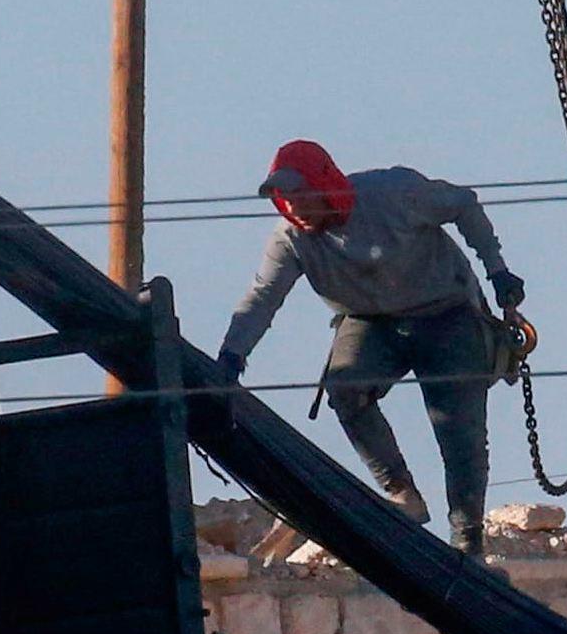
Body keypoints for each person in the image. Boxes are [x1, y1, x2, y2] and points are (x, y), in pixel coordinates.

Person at [213, 139, 524, 552]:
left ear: (326, 185)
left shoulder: (395, 194)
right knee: (345, 388)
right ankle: (401, 493)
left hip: (446, 313)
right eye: (284, 200)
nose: (294, 208)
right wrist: (233, 355)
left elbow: (463, 204)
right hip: (369, 320)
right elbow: (262, 297)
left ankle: (467, 544)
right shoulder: (291, 238)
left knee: (459, 432)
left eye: (301, 195)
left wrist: (497, 269)